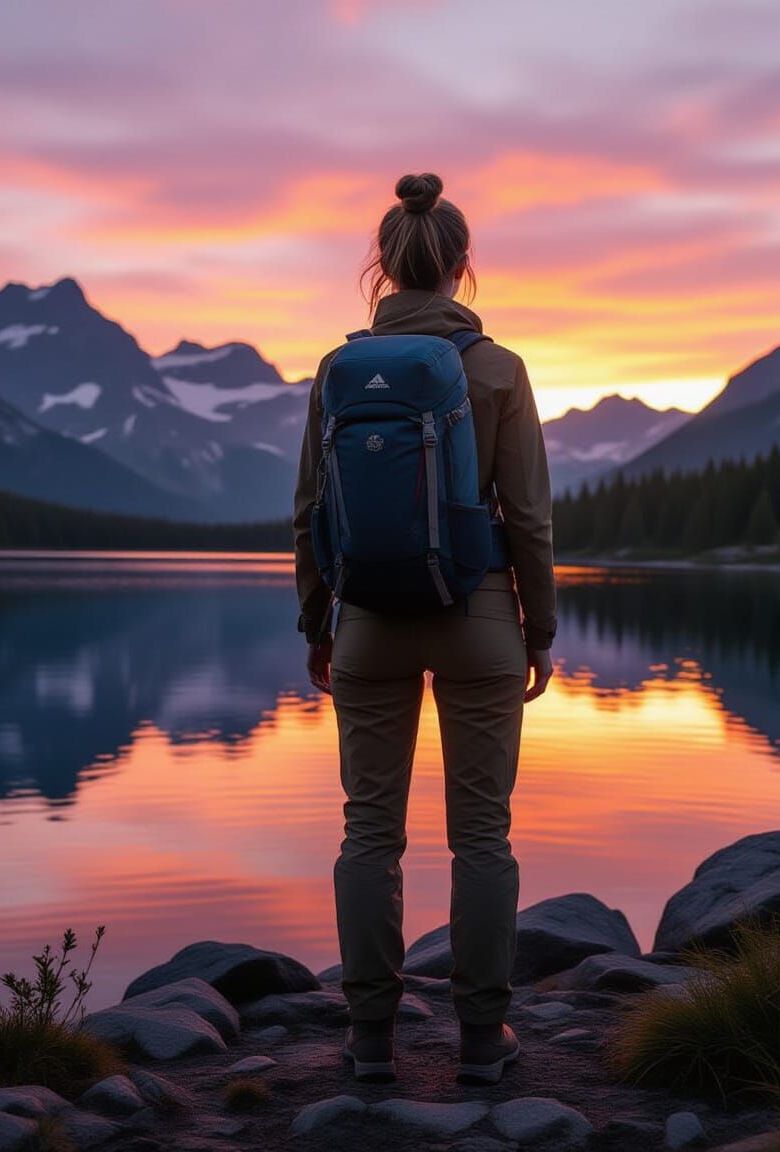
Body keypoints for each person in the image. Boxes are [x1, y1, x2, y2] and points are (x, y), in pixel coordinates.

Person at [293, 172, 556, 1085]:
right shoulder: (499, 369)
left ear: (386, 264)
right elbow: (527, 518)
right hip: (480, 620)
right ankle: (483, 1043)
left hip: (366, 621)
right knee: (481, 836)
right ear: (459, 266)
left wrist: (317, 625)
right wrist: (541, 630)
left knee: (370, 834)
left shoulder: (338, 369)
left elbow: (309, 515)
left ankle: (371, 1041)